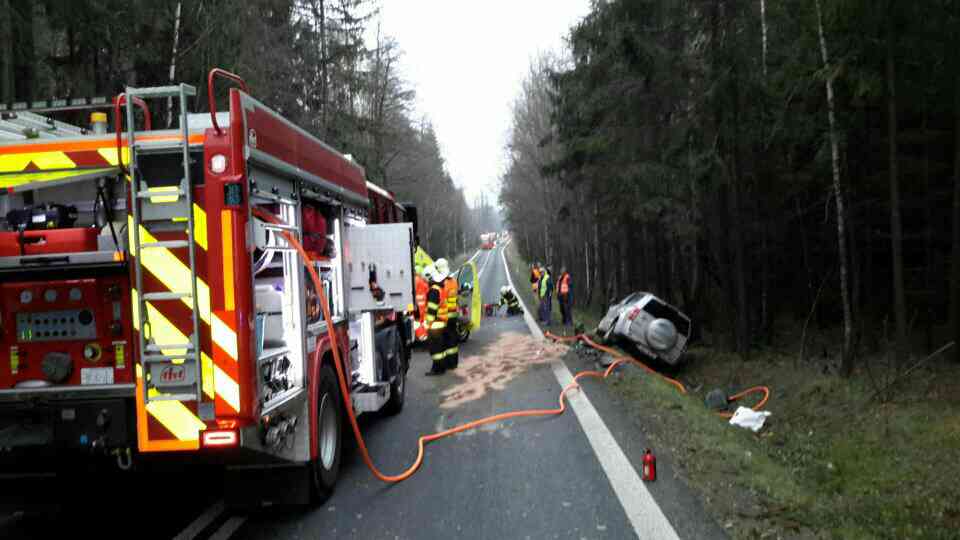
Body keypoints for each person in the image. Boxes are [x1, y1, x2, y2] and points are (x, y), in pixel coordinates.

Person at [435, 258, 460, 370]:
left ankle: (445, 364)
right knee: (452, 340)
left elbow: (440, 300)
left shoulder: (442, 283)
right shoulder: (453, 281)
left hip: (444, 315)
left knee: (444, 341)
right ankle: (453, 363)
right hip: (453, 314)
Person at [423, 264, 447, 376]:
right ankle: (441, 367)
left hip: (435, 325)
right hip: (441, 323)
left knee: (435, 349)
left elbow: (432, 310)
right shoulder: (439, 288)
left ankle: (436, 369)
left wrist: (426, 324)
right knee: (440, 348)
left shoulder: (433, 291)